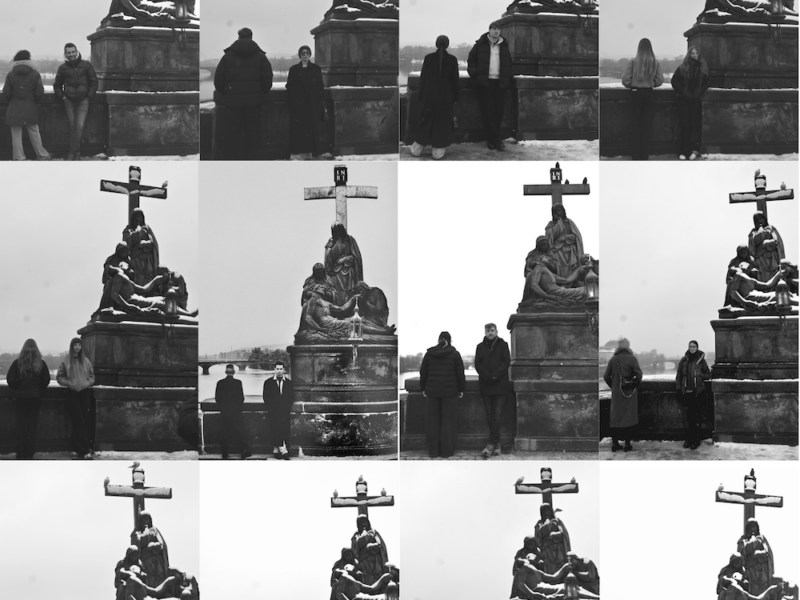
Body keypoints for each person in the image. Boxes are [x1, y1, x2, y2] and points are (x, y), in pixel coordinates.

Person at [214, 28, 273, 160]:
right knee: (253, 133)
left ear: (239, 37)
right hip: (254, 103)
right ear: (251, 37)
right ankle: (251, 160)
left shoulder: (227, 57)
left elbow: (218, 80)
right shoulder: (260, 57)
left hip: (233, 103)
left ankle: (232, 160)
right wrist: (259, 93)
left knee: (232, 133)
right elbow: (267, 79)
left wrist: (228, 93)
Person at [410, 34, 460, 160]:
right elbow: (455, 81)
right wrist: (455, 98)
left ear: (436, 44)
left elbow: (423, 80)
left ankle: (417, 148)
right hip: (446, 97)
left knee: (425, 121)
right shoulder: (452, 60)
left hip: (429, 96)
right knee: (442, 124)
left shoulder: (428, 58)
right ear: (447, 45)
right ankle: (438, 151)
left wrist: (421, 96)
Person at [419, 331, 466, 458]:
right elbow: (460, 374)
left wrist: (423, 388)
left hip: (432, 392)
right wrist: (461, 389)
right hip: (450, 393)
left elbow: (423, 372)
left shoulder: (429, 354)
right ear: (450, 341)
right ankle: (447, 452)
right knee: (448, 423)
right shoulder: (455, 354)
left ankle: (433, 451)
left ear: (439, 340)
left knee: (432, 423)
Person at [467, 21, 512, 151]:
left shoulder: (504, 46)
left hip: (500, 83)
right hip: (485, 83)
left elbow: (508, 64)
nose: (497, 31)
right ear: (489, 30)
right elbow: (471, 60)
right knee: (487, 112)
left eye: (499, 29)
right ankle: (495, 140)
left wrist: (508, 78)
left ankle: (492, 139)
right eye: (494, 29)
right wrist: (475, 74)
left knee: (498, 112)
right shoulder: (480, 45)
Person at [3, 50, 51, 161]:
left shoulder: (11, 74)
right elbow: (39, 93)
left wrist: (14, 100)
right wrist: (33, 101)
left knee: (16, 135)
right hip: (30, 106)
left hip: (14, 108)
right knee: (34, 132)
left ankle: (19, 157)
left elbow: (6, 93)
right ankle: (42, 155)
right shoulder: (35, 74)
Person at [6, 339, 51, 459]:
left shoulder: (17, 363)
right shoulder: (41, 363)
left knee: (20, 426)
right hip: (35, 398)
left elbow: (10, 379)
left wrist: (18, 388)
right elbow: (46, 380)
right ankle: (29, 453)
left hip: (21, 397)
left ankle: (20, 453)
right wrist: (37, 389)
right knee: (32, 426)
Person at [53, 43, 98, 161]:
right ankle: (76, 153)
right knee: (73, 126)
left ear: (76, 52)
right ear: (65, 54)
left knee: (78, 127)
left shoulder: (86, 65)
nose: (71, 54)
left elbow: (94, 82)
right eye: (69, 52)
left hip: (83, 100)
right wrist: (62, 96)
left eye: (73, 52)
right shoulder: (62, 68)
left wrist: (89, 96)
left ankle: (72, 153)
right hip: (68, 100)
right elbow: (57, 85)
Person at [622, 38, 663, 161]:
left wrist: (634, 85)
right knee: (646, 127)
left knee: (635, 126)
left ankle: (636, 156)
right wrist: (650, 84)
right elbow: (660, 80)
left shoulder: (633, 62)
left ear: (639, 48)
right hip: (649, 94)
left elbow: (625, 80)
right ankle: (644, 156)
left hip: (635, 94)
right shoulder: (655, 62)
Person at [474, 323, 510, 458]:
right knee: (490, 415)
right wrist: (487, 376)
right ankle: (497, 443)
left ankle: (491, 444)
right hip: (486, 385)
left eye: (492, 330)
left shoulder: (503, 345)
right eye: (488, 330)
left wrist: (494, 375)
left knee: (496, 414)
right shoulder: (480, 347)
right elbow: (477, 364)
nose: (490, 332)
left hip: (499, 385)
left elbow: (506, 362)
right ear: (485, 332)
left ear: (496, 331)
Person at [56, 337, 95, 459]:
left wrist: (88, 383)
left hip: (84, 392)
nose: (77, 347)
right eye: (75, 345)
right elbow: (59, 377)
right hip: (72, 393)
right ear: (71, 347)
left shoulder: (86, 361)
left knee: (82, 421)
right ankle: (84, 450)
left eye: (79, 345)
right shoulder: (66, 361)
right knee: (79, 420)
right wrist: (68, 383)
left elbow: (92, 376)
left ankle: (74, 447)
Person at [286, 45, 326, 159]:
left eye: (307, 53)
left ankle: (310, 151)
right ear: (300, 55)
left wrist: (319, 99)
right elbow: (290, 87)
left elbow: (320, 86)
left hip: (312, 105)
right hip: (298, 106)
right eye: (303, 53)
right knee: (299, 130)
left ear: (310, 55)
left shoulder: (316, 69)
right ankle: (299, 151)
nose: (305, 55)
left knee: (312, 129)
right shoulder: (293, 69)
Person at [603, 338, 642, 452]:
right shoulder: (632, 358)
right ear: (628, 346)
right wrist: (632, 383)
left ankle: (615, 444)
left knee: (615, 419)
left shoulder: (613, 359)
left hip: (617, 395)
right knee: (628, 418)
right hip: (629, 394)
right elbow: (638, 375)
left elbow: (606, 376)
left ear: (619, 347)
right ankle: (627, 444)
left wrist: (614, 387)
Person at [670, 46, 709, 161]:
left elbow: (707, 82)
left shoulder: (703, 68)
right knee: (685, 125)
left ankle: (693, 150)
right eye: (692, 53)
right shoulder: (683, 67)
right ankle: (683, 151)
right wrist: (683, 91)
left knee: (693, 126)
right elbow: (674, 81)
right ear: (689, 55)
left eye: (696, 53)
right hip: (683, 100)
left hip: (695, 99)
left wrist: (700, 91)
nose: (694, 55)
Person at [512, 553, 600, 599]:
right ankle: (594, 597)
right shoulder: (526, 566)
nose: (538, 558)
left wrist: (563, 567)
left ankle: (594, 596)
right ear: (528, 558)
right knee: (566, 588)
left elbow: (554, 577)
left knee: (570, 587)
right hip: (539, 589)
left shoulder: (538, 572)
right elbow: (520, 584)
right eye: (535, 556)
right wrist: (533, 594)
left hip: (546, 587)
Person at [676, 340, 712, 450]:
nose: (692, 348)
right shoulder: (684, 360)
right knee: (689, 417)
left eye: (694, 346)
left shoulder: (701, 361)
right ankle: (690, 438)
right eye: (690, 346)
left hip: (698, 393)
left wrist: (700, 374)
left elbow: (708, 375)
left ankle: (696, 439)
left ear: (697, 348)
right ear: (688, 348)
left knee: (696, 417)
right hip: (688, 393)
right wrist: (679, 389)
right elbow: (679, 376)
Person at [214, 364, 250, 460]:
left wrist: (224, 408)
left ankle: (224, 453)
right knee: (240, 432)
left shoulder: (220, 383)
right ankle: (243, 452)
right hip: (236, 412)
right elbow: (241, 398)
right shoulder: (238, 383)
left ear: (225, 372)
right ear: (234, 372)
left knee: (224, 433)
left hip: (224, 412)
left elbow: (217, 398)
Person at [262, 360, 295, 460]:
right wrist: (273, 408)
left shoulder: (289, 383)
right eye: (277, 369)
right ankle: (279, 450)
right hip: (273, 411)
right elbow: (266, 397)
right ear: (274, 370)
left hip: (284, 411)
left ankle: (281, 450)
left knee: (284, 430)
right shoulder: (268, 382)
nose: (279, 371)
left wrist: (285, 407)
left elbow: (291, 398)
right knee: (274, 430)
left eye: (281, 369)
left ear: (284, 370)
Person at [325, 222, 364, 304]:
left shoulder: (350, 241)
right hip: (336, 274)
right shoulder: (331, 242)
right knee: (337, 296)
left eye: (339, 230)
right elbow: (328, 260)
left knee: (349, 296)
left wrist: (344, 259)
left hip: (349, 273)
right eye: (335, 231)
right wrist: (337, 244)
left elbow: (356, 258)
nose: (338, 233)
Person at [122, 207, 159, 288]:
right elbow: (126, 243)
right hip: (135, 260)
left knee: (148, 276)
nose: (138, 219)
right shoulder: (128, 230)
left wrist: (144, 244)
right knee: (137, 277)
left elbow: (154, 244)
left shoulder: (147, 229)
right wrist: (139, 233)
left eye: (140, 217)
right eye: (135, 217)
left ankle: (148, 292)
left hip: (147, 259)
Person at [131, 511, 170, 587]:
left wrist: (154, 545)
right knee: (148, 578)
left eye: (147, 519)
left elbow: (162, 544)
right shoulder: (136, 533)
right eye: (143, 520)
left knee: (159, 576)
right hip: (145, 561)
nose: (145, 522)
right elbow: (137, 544)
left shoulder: (155, 530)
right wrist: (146, 532)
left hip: (157, 560)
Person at [737, 518, 775, 596]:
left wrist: (758, 554)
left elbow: (767, 553)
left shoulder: (762, 539)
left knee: (763, 592)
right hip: (749, 571)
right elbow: (741, 554)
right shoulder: (743, 540)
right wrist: (753, 542)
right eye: (750, 527)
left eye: (753, 527)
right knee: (751, 591)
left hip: (762, 571)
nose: (752, 529)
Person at [545, 203, 584, 278]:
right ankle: (561, 281)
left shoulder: (569, 223)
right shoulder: (551, 224)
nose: (558, 213)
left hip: (570, 250)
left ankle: (573, 280)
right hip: (557, 250)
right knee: (556, 263)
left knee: (572, 267)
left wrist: (565, 238)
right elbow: (550, 237)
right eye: (555, 212)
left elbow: (577, 237)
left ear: (563, 211)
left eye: (559, 211)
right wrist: (559, 222)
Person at [350, 514, 390, 585]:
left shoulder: (374, 532)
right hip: (363, 563)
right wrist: (365, 536)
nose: (363, 524)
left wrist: (371, 546)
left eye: (364, 522)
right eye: (360, 522)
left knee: (377, 578)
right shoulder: (356, 536)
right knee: (365, 580)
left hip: (375, 561)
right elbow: (355, 550)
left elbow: (381, 545)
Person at [534, 503, 571, 574]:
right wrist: (548, 524)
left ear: (551, 511)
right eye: (544, 511)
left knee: (559, 566)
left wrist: (555, 535)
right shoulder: (539, 524)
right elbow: (538, 538)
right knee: (549, 568)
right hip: (546, 550)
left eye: (548, 511)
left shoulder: (557, 521)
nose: (546, 513)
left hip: (558, 549)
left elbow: (564, 534)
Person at [748, 211, 785, 283]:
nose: (759, 221)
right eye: (757, 219)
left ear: (764, 219)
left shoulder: (771, 228)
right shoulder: (753, 232)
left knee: (774, 274)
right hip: (760, 259)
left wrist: (766, 244)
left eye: (761, 218)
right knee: (762, 277)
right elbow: (752, 248)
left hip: (772, 257)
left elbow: (777, 242)